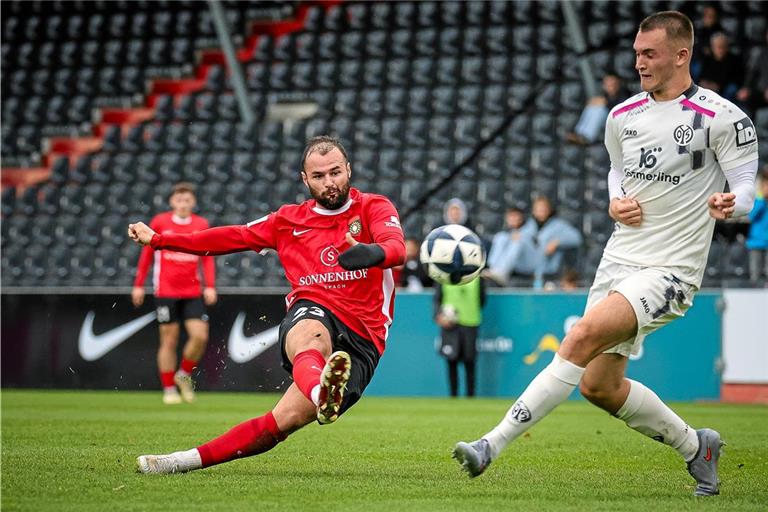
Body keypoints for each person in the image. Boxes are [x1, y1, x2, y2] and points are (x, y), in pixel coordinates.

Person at [453, 11, 758, 497]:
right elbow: (617, 174)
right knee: (600, 386)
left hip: (671, 270)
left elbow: (745, 188)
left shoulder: (723, 117)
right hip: (619, 260)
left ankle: (490, 444)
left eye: (649, 53)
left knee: (581, 336)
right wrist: (615, 200)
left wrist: (733, 204)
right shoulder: (622, 116)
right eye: (637, 53)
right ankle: (695, 447)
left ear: (682, 55)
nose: (639, 62)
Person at [129, 136, 405, 474]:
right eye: (319, 176)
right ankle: (321, 390)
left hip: (365, 338)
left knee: (280, 423)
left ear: (349, 169)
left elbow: (396, 247)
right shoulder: (287, 221)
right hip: (314, 308)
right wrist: (159, 239)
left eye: (335, 172)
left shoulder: (374, 207)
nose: (329, 183)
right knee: (311, 333)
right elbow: (228, 237)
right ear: (304, 179)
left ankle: (181, 461)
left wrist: (372, 252)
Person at [132, 182, 217, 405]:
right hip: (166, 290)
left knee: (200, 335)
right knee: (169, 340)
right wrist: (138, 284)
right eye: (179, 199)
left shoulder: (201, 224)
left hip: (192, 290)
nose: (183, 203)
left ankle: (184, 374)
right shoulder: (160, 222)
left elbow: (207, 256)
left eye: (187, 199)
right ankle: (169, 388)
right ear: (172, 202)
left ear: (193, 203)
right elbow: (146, 256)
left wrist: (210, 285)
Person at [434, 275, 486, 397]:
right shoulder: (443, 276)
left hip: (471, 322)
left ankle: (470, 396)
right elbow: (437, 299)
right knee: (451, 360)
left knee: (470, 361)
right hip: (450, 326)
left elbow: (482, 300)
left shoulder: (478, 278)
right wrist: (438, 316)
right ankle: (453, 395)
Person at [566, 72, 629, 145]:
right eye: (607, 83)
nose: (610, 86)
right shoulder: (604, 94)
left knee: (600, 110)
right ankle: (579, 133)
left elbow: (620, 108)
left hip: (616, 119)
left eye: (612, 83)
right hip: (606, 119)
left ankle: (587, 137)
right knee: (592, 106)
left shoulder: (624, 93)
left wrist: (605, 103)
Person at [484, 206, 533, 285]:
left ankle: (501, 272)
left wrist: (518, 237)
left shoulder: (529, 228)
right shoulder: (505, 234)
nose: (513, 219)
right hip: (510, 266)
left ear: (521, 218)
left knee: (517, 242)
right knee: (500, 237)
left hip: (526, 264)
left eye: (516, 216)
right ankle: (493, 269)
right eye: (511, 216)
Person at [696, 32, 744, 101]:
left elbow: (735, 79)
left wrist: (718, 86)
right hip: (709, 87)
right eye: (718, 47)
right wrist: (704, 83)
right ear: (712, 47)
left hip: (725, 88)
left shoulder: (734, 60)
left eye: (723, 46)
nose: (721, 49)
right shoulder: (707, 59)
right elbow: (702, 76)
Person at [735, 30, 768, 115]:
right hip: (761, 91)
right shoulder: (763, 54)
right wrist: (746, 88)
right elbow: (753, 73)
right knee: (743, 98)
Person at [746, 167, 768, 284]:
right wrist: (762, 199)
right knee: (755, 277)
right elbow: (751, 216)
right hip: (756, 242)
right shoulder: (758, 199)